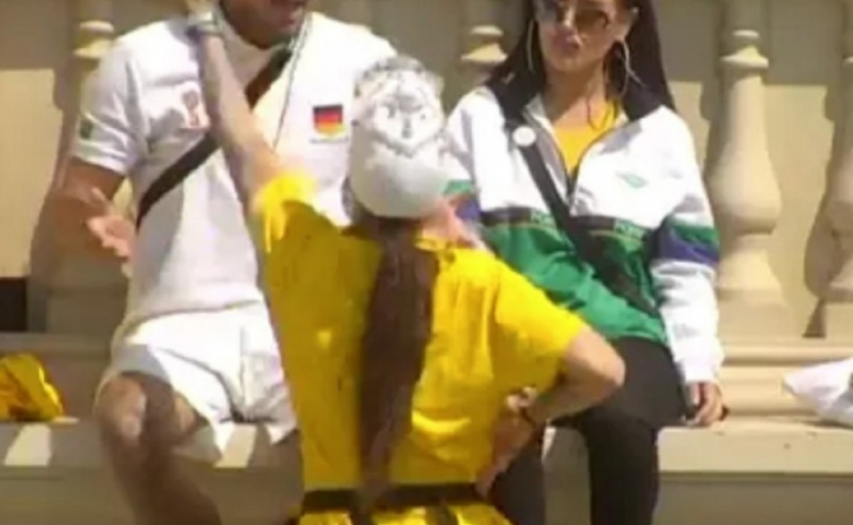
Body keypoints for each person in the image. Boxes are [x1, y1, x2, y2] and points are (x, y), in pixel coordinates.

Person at [183, 0, 626, 520]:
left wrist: (205, 27)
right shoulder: (482, 283)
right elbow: (604, 371)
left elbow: (243, 140)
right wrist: (531, 417)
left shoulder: (304, 252)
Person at [50, 1, 396, 524]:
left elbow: (413, 206)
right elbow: (75, 200)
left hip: (313, 324)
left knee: (381, 428)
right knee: (126, 421)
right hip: (183, 330)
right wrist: (93, 224)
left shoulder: (364, 60)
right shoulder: (139, 59)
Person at [443, 1, 726, 525]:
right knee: (501, 430)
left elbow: (684, 265)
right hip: (513, 333)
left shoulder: (660, 134)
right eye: (553, 9)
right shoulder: (479, 117)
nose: (566, 29)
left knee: (623, 426)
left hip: (623, 334)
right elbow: (458, 243)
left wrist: (697, 361)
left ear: (626, 24)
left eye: (591, 16)